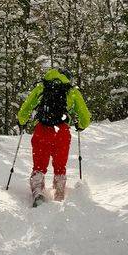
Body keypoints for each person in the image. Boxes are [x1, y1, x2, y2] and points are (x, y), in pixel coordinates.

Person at [17, 67, 91, 203]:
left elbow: (26, 106)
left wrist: (22, 120)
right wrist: (81, 125)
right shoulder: (71, 91)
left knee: (39, 164)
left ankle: (38, 190)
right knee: (60, 165)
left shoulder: (42, 87)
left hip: (42, 129)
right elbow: (85, 116)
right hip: (61, 131)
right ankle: (59, 193)